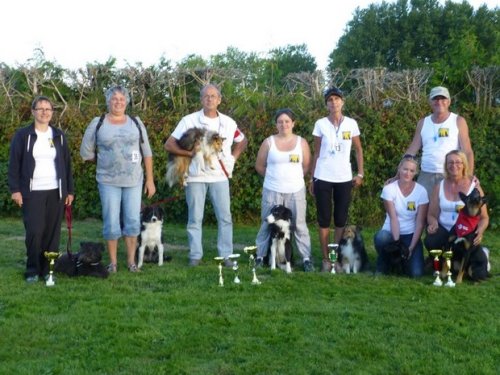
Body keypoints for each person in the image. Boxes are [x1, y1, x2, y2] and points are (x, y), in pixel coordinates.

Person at [164, 84, 248, 266]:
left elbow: (242, 140)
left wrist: (233, 158)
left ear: (219, 100)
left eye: (213, 96)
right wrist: (189, 154)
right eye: (206, 96)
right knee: (195, 218)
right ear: (201, 99)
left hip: (220, 177)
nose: (209, 99)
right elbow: (169, 144)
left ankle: (226, 256)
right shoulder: (189, 120)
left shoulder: (228, 122)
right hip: (195, 177)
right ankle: (195, 256)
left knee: (225, 218)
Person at [80, 85, 156, 273]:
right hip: (108, 181)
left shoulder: (136, 122)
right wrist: (105, 161)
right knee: (111, 221)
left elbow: (146, 152)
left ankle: (131, 262)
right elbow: (86, 152)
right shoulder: (98, 123)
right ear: (108, 101)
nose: (118, 102)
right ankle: (113, 263)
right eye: (114, 99)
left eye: (122, 99)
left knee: (132, 221)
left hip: (134, 181)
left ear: (127, 102)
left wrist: (150, 180)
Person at [8, 96, 74, 283]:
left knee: (52, 233)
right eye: (40, 108)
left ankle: (47, 270)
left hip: (56, 191)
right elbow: (14, 164)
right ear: (33, 111)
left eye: (48, 109)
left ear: (52, 112)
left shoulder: (59, 135)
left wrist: (69, 190)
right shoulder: (23, 135)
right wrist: (15, 189)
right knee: (35, 231)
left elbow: (67, 165)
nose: (45, 112)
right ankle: (32, 269)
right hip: (32, 191)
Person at [309, 87, 364, 272]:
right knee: (324, 219)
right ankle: (326, 259)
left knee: (340, 219)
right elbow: (316, 152)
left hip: (344, 177)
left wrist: (360, 173)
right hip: (323, 176)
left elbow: (358, 149)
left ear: (343, 102)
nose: (334, 103)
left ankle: (337, 258)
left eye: (337, 99)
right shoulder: (320, 124)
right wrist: (312, 178)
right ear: (326, 104)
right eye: (330, 100)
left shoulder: (351, 123)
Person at [254, 108, 314, 272]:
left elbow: (307, 165)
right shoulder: (268, 142)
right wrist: (274, 176)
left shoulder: (301, 142)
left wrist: (292, 178)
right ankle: (260, 256)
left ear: (293, 123)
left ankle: (306, 259)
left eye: (287, 121)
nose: (284, 124)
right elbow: (259, 166)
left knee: (299, 225)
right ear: (276, 124)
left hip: (296, 190)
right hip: (272, 190)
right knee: (266, 224)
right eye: (280, 121)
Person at [404, 86, 474, 197]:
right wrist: (399, 173)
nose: (439, 101)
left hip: (451, 175)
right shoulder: (422, 123)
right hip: (426, 176)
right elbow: (412, 149)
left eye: (443, 98)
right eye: (435, 98)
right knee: (424, 212)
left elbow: (468, 151)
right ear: (430, 102)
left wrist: (468, 175)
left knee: (449, 210)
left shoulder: (458, 121)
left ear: (449, 101)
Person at [424, 150, 488, 254]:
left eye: (458, 162)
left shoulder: (474, 186)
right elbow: (431, 215)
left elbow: (484, 217)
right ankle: (438, 261)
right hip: (444, 229)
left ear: (464, 165)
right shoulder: (439, 186)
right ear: (446, 165)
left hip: (466, 231)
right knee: (431, 241)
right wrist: (433, 224)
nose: (454, 165)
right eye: (450, 162)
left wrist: (480, 230)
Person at [374, 156, 428, 277]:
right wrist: (397, 245)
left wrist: (411, 247)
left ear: (416, 172)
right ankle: (387, 260)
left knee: (416, 273)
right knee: (381, 237)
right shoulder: (389, 189)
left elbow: (420, 223)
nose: (407, 173)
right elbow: (393, 218)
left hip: (410, 234)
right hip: (392, 231)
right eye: (405, 169)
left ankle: (401, 261)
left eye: (411, 171)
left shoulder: (421, 191)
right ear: (399, 169)